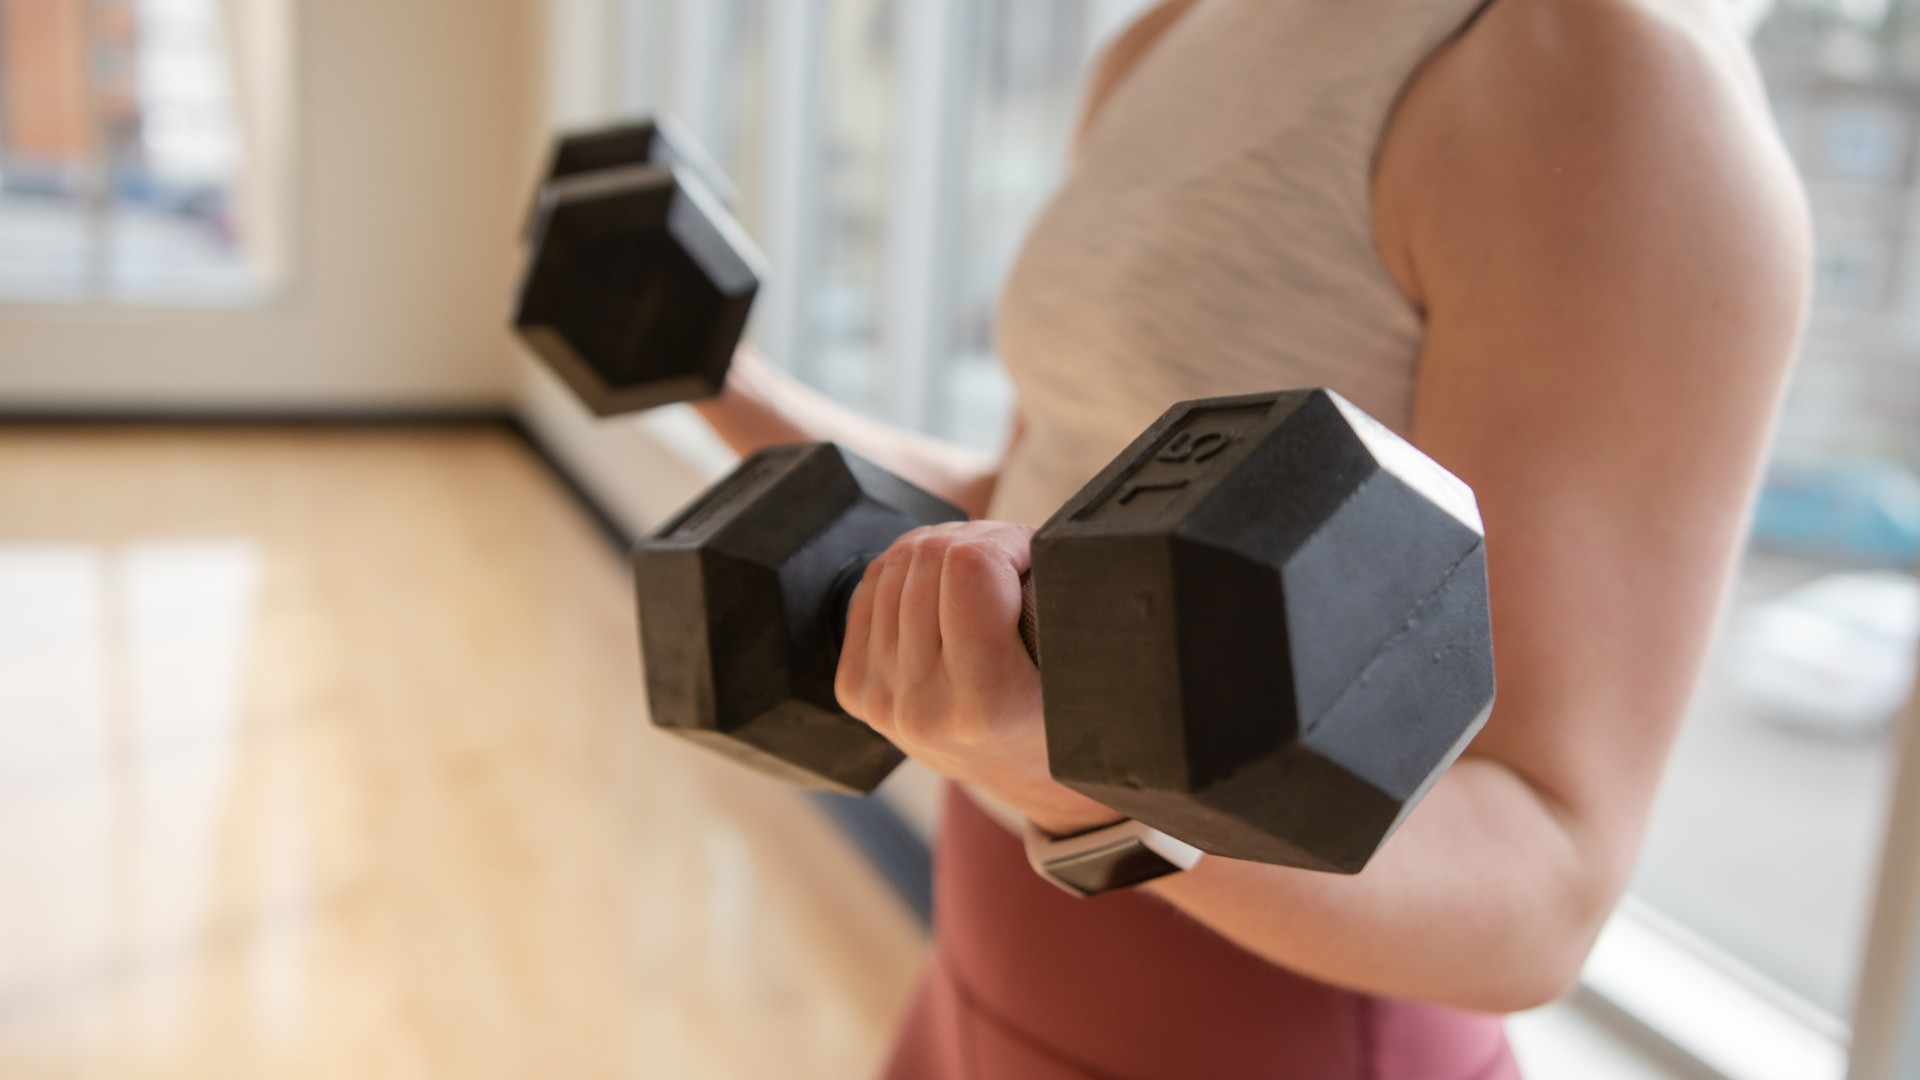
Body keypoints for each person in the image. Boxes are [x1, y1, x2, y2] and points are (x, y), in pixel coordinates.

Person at [693, 0, 1810, 1074]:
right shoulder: (1171, 34)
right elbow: (1035, 516)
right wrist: (714, 373)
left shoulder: (1604, 82)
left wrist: (1081, 786)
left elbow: (1548, 884)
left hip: (1264, 1034)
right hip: (985, 965)